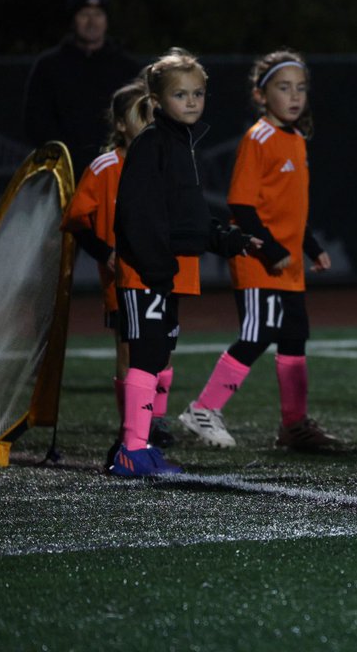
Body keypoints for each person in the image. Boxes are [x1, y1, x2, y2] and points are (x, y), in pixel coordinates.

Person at [107, 48, 258, 477]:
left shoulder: (179, 145)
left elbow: (187, 219)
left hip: (163, 275)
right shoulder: (152, 144)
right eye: (180, 94)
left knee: (158, 355)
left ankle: (141, 445)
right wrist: (156, 269)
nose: (191, 102)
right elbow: (135, 215)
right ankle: (132, 451)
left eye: (198, 93)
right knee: (146, 354)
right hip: (147, 274)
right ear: (156, 101)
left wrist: (228, 239)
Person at [179, 50, 336, 452]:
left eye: (300, 88)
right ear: (261, 96)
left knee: (295, 336)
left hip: (288, 263)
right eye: (284, 88)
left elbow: (292, 209)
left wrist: (311, 246)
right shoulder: (259, 137)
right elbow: (242, 205)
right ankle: (203, 408)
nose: (294, 96)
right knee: (259, 332)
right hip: (258, 259)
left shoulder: (297, 138)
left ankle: (293, 425)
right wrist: (270, 251)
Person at [61, 78, 177, 452]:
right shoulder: (105, 166)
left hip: (160, 275)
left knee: (162, 349)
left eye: (152, 114)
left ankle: (153, 421)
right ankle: (131, 429)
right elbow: (75, 219)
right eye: (140, 115)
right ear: (121, 125)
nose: (149, 122)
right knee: (130, 349)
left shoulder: (164, 161)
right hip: (123, 280)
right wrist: (103, 252)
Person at [23, 0, 141, 172]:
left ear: (106, 20)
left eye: (98, 14)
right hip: (64, 172)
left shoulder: (127, 68)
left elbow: (139, 119)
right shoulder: (49, 66)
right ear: (73, 20)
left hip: (117, 172)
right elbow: (36, 122)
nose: (92, 22)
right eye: (84, 14)